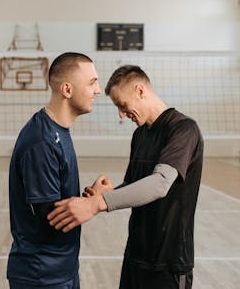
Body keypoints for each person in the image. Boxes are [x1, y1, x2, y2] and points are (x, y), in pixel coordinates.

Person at [48, 65, 203, 289]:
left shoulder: (183, 129)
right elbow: (135, 185)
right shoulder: (140, 134)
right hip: (136, 257)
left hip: (168, 265)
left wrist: (96, 204)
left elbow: (160, 184)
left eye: (123, 105)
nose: (121, 114)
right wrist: (111, 192)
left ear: (140, 91)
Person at [7, 52, 101, 288]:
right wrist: (96, 204)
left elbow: (57, 206)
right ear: (67, 90)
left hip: (62, 269)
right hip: (42, 275)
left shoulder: (58, 131)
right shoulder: (42, 142)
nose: (98, 90)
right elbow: (51, 219)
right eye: (92, 83)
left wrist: (89, 198)